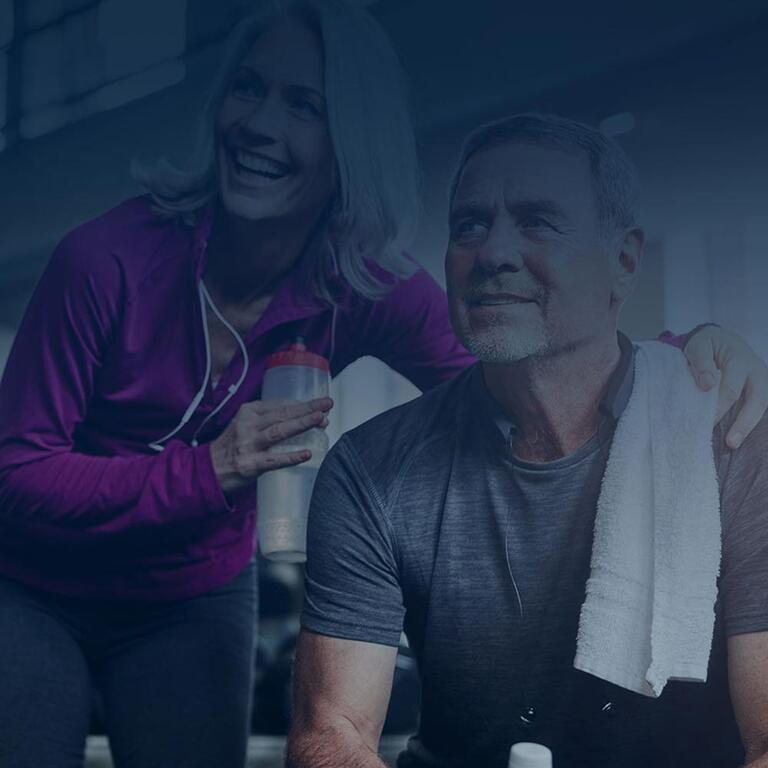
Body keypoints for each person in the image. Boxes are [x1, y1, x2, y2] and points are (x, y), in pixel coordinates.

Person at [0, 1, 761, 766]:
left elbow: (521, 356)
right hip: (38, 585)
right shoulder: (105, 261)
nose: (260, 124)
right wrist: (209, 469)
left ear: (350, 143)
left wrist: (680, 365)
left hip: (188, 593)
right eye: (247, 88)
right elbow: (15, 470)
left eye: (305, 105)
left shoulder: (355, 281)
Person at [287, 114, 768, 768]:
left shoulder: (733, 440)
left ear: (624, 262)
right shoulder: (371, 467)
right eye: (469, 225)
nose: (492, 253)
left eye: (538, 221)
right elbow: (330, 733)